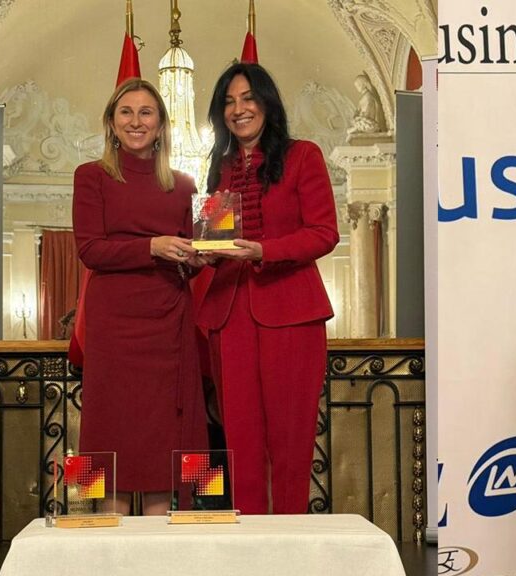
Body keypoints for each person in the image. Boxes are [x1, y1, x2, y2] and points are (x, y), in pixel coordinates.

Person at [195, 62, 339, 515]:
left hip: (291, 311)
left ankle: (291, 538)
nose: (238, 109)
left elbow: (324, 233)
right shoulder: (220, 168)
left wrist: (264, 251)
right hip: (228, 315)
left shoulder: (303, 156)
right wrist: (202, 253)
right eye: (228, 102)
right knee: (239, 440)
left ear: (267, 103)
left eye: (247, 98)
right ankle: (249, 538)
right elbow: (216, 240)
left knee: (291, 438)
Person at [72, 78, 208, 515]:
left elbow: (189, 254)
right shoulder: (90, 176)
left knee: (164, 435)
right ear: (111, 123)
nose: (136, 121)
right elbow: (89, 250)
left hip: (168, 324)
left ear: (161, 124)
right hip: (112, 326)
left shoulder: (184, 185)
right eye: (126, 112)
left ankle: (159, 539)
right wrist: (152, 246)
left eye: (146, 112)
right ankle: (102, 535)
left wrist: (200, 258)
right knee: (106, 429)